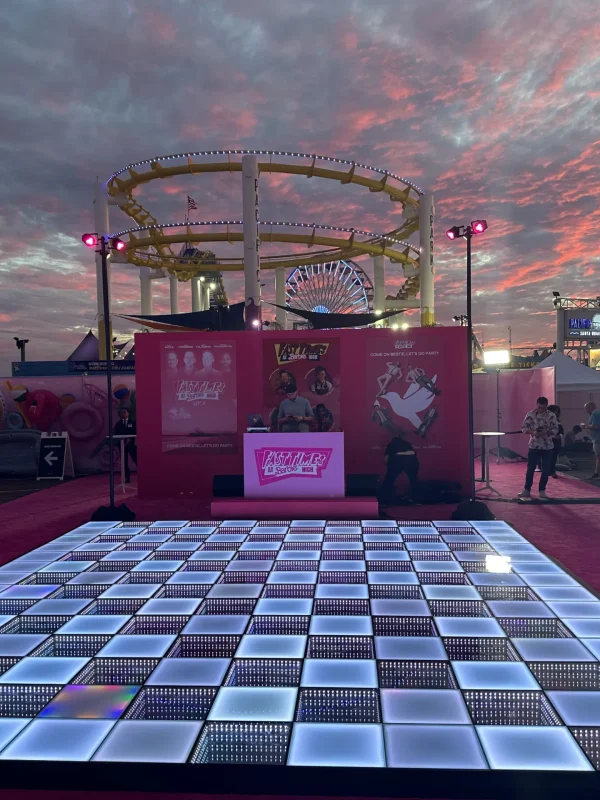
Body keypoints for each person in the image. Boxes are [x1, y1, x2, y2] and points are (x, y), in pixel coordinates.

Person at [518, 396, 559, 499]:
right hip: (534, 445)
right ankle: (527, 489)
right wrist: (533, 432)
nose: (542, 409)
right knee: (530, 469)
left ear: (546, 406)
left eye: (544, 407)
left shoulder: (551, 415)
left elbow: (555, 430)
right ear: (537, 404)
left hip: (547, 446)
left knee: (546, 470)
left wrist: (547, 432)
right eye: (540, 407)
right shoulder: (530, 414)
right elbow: (524, 428)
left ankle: (542, 490)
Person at [379, 434, 419, 505]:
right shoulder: (407, 443)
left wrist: (390, 466)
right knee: (414, 480)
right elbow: (414, 455)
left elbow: (386, 460)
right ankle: (417, 500)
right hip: (413, 459)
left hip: (399, 458)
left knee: (389, 480)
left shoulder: (391, 444)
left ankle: (383, 501)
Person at [114, 407, 137, 483]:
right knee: (124, 462)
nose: (123, 414)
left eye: (124, 412)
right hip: (122, 445)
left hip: (131, 445)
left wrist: (129, 439)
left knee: (135, 459)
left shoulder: (133, 422)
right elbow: (116, 434)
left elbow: (135, 432)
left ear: (128, 413)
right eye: (122, 412)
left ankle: (142, 474)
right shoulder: (118, 424)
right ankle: (127, 477)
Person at [582, 401, 600, 479]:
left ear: (591, 407)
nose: (586, 411)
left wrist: (586, 426)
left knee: (598, 456)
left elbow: (596, 426)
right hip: (596, 438)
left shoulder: (595, 413)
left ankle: (596, 473)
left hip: (598, 439)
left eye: (586, 409)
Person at [547, 404, 564, 479]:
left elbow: (562, 431)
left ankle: (552, 471)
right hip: (549, 440)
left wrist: (559, 436)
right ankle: (548, 471)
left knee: (554, 457)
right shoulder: (546, 420)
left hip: (557, 441)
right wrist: (554, 436)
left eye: (557, 411)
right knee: (548, 457)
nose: (556, 412)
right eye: (555, 411)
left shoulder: (557, 420)